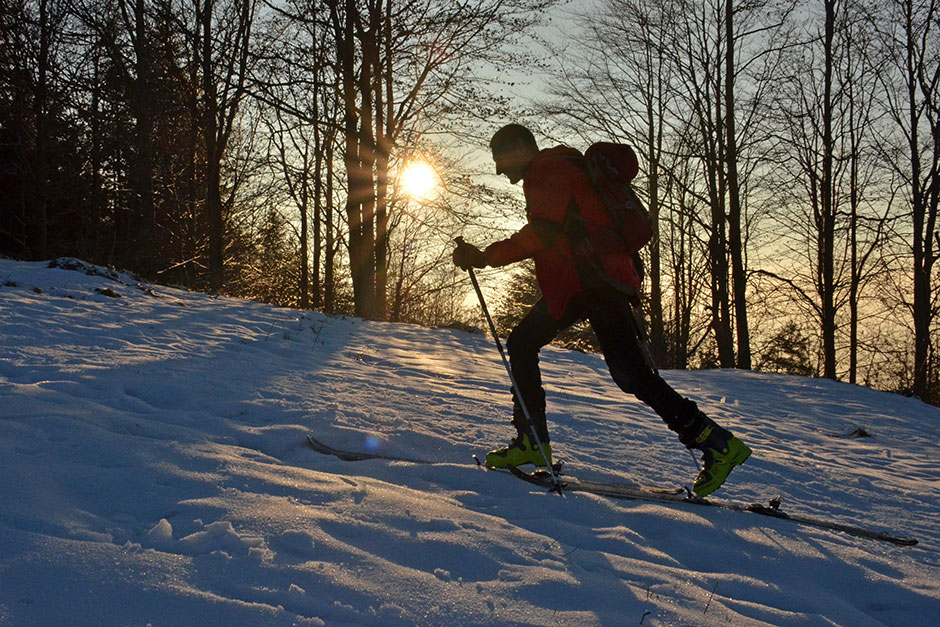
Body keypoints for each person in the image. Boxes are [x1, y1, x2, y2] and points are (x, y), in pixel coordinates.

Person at [453, 123, 751, 497]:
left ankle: (718, 444)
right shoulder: (560, 166)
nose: (501, 171)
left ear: (521, 149)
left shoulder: (546, 171)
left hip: (594, 284)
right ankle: (531, 441)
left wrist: (484, 256)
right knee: (525, 342)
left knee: (633, 377)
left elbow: (542, 234)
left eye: (502, 160)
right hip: (587, 284)